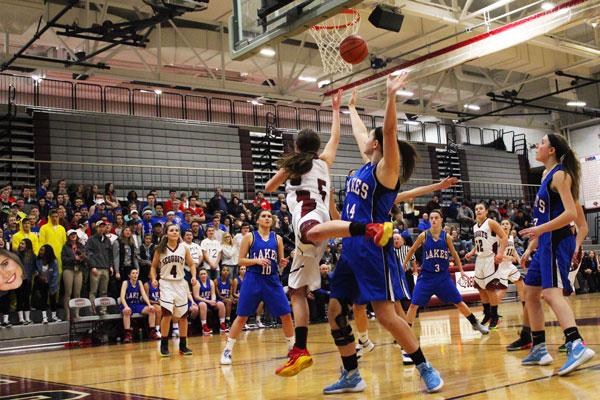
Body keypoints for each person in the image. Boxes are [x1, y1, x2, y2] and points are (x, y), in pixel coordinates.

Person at [305, 74, 443, 394]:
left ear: (378, 143)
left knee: (385, 315)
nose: (365, 137)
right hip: (350, 247)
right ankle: (351, 374)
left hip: (372, 249)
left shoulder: (386, 170)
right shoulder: (367, 164)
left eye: (372, 136)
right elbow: (359, 131)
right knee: (336, 310)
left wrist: (391, 97)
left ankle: (424, 366)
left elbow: (389, 131)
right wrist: (346, 107)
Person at [263, 89, 343, 377]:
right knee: (297, 290)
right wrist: (336, 111)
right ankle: (300, 350)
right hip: (318, 225)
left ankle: (362, 229)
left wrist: (286, 170)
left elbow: (269, 188)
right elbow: (335, 139)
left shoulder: (295, 165)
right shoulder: (324, 162)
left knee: (297, 291)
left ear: (297, 146)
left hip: (308, 223)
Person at [518, 134, 595, 375]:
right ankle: (539, 347)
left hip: (556, 241)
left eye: (541, 143)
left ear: (551, 150)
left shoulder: (561, 174)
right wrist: (533, 244)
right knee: (531, 294)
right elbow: (544, 216)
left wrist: (540, 230)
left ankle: (576, 344)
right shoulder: (545, 175)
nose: (536, 146)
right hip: (544, 243)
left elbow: (572, 214)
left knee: (552, 295)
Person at [220, 209, 295, 367]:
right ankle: (227, 350)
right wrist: (256, 261)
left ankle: (292, 347)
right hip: (253, 279)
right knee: (241, 317)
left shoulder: (278, 238)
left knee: (286, 314)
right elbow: (240, 261)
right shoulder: (250, 237)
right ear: (258, 220)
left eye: (269, 216)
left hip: (272, 280)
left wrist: (282, 264)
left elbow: (280, 262)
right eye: (264, 216)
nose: (267, 218)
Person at [402, 210, 489, 334]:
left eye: (436, 217)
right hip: (426, 277)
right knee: (413, 304)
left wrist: (461, 270)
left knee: (458, 301)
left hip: (443, 277)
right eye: (431, 218)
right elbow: (411, 251)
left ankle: (475, 324)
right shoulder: (424, 235)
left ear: (441, 220)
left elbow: (454, 254)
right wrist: (404, 265)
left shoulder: (446, 237)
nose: (433, 220)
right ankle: (405, 332)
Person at [150, 223, 197, 357]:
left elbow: (192, 264)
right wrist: (154, 278)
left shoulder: (184, 248)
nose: (175, 232)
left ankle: (183, 345)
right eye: (172, 230)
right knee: (167, 314)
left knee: (183, 316)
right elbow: (153, 267)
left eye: (177, 230)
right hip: (166, 283)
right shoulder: (160, 249)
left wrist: (193, 276)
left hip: (180, 284)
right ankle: (164, 345)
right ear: (166, 233)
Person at [464, 202, 507, 330]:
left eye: (481, 208)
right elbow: (479, 244)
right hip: (479, 259)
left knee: (490, 288)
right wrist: (471, 252)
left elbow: (504, 237)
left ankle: (495, 316)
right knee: (480, 288)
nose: (478, 211)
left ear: (486, 211)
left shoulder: (491, 223)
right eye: (476, 209)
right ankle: (487, 314)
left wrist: (500, 253)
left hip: (490, 258)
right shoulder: (475, 227)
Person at [119, 268, 157, 343]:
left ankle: (152, 332)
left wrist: (149, 305)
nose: (135, 275)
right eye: (133, 273)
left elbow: (144, 295)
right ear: (129, 275)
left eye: (136, 273)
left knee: (152, 310)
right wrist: (126, 306)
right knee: (127, 311)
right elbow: (122, 297)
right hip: (126, 304)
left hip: (136, 304)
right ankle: (127, 334)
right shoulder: (125, 283)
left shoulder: (139, 282)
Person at [86, 220, 113, 315]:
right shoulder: (91, 240)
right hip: (96, 268)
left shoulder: (107, 240)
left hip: (105, 268)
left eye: (103, 227)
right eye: (100, 227)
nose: (102, 228)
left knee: (104, 291)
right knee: (93, 291)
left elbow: (110, 255)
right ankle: (92, 310)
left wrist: (110, 266)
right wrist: (92, 266)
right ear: (96, 228)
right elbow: (88, 254)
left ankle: (103, 310)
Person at [192, 269, 227, 335]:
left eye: (204, 273)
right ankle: (204, 326)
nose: (203, 275)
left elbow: (213, 293)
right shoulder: (197, 283)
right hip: (200, 301)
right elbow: (196, 296)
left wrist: (213, 300)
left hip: (209, 300)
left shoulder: (210, 282)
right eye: (201, 274)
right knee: (203, 305)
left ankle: (222, 324)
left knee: (221, 304)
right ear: (199, 276)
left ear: (207, 275)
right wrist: (208, 301)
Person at [61, 230, 87, 320]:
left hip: (79, 269)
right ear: (68, 236)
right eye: (71, 235)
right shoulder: (65, 247)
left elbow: (85, 256)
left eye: (74, 234)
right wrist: (74, 258)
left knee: (77, 293)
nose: (73, 236)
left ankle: (76, 313)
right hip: (68, 269)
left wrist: (82, 257)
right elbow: (63, 259)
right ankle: (67, 314)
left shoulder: (81, 246)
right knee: (68, 292)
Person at [32, 245, 61, 323]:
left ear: (47, 252)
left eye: (42, 250)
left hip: (52, 283)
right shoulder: (38, 260)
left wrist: (52, 285)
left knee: (53, 300)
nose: (40, 252)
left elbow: (55, 274)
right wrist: (38, 275)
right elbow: (35, 270)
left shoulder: (54, 261)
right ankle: (44, 318)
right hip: (42, 283)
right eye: (40, 250)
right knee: (43, 299)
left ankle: (54, 316)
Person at [15, 239, 36, 324]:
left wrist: (35, 272)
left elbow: (34, 266)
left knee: (27, 299)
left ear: (28, 245)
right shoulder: (16, 255)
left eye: (23, 244)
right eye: (20, 243)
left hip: (27, 280)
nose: (20, 245)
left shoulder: (32, 255)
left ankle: (27, 318)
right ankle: (21, 319)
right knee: (19, 299)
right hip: (18, 280)